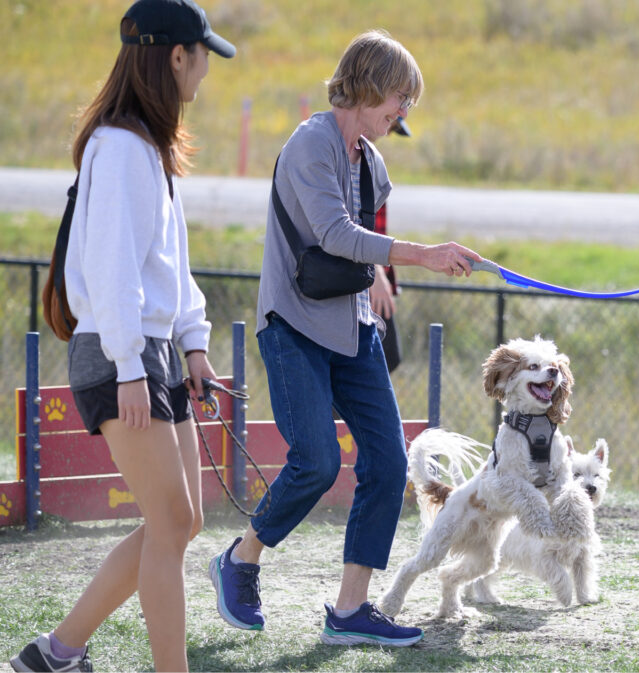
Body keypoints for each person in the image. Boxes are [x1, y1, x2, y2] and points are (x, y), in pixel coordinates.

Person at [208, 29, 482, 647]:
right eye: (399, 99)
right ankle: (241, 559)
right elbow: (335, 235)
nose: (403, 112)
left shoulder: (372, 161)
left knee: (388, 464)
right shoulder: (311, 145)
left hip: (354, 328)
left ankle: (351, 610)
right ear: (369, 86)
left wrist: (390, 272)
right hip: (296, 327)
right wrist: (423, 255)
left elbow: (368, 239)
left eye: (408, 102)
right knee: (317, 461)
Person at [7, 2, 234, 672]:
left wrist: (192, 342)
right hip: (119, 352)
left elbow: (170, 263)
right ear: (174, 56)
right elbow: (110, 270)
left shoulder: (150, 147)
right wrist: (132, 367)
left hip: (152, 352)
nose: (205, 71)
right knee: (170, 526)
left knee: (183, 522)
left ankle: (55, 654)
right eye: (202, 56)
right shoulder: (122, 148)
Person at [370, 117, 412, 373]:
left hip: (372, 267)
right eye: (389, 126)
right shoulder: (352, 157)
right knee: (382, 357)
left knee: (385, 357)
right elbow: (351, 225)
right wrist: (375, 274)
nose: (387, 134)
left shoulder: (371, 159)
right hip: (364, 273)